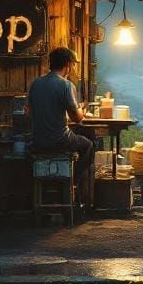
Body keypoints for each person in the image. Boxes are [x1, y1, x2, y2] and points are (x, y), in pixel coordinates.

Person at [27, 46, 96, 205]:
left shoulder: (36, 83)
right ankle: (73, 184)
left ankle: (54, 190)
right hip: (59, 140)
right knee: (89, 145)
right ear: (68, 64)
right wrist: (82, 110)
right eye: (73, 64)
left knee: (78, 138)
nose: (73, 67)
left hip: (37, 141)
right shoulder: (65, 85)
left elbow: (30, 113)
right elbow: (76, 118)